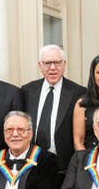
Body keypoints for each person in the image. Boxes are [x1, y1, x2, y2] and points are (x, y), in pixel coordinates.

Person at [22, 44, 86, 172]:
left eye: (57, 62)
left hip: (65, 167)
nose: (52, 68)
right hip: (31, 164)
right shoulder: (27, 91)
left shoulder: (79, 92)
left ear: (64, 64)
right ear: (40, 65)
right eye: (47, 63)